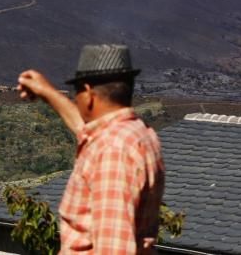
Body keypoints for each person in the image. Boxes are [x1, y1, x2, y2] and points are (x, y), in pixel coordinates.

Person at [17, 44, 164, 255]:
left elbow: (114, 250)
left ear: (88, 93)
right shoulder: (137, 134)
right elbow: (85, 131)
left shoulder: (112, 152)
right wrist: (47, 92)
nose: (76, 99)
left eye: (76, 92)